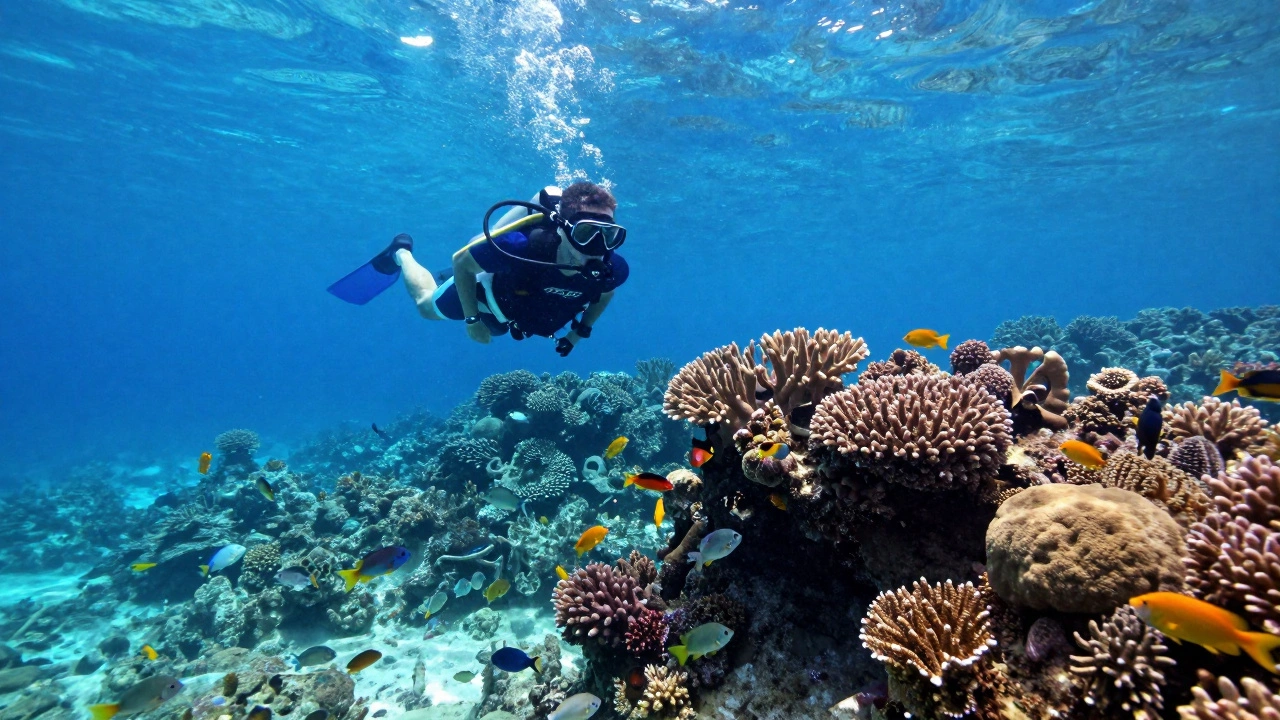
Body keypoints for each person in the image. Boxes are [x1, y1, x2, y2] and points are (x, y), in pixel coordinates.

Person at [328, 182, 628, 357]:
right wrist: (472, 320)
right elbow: (462, 262)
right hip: (484, 293)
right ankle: (401, 253)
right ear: (563, 228)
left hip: (512, 310)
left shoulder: (611, 267)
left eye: (609, 234)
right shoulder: (518, 248)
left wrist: (579, 333)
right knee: (426, 307)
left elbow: (605, 293)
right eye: (587, 233)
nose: (599, 246)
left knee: (496, 328)